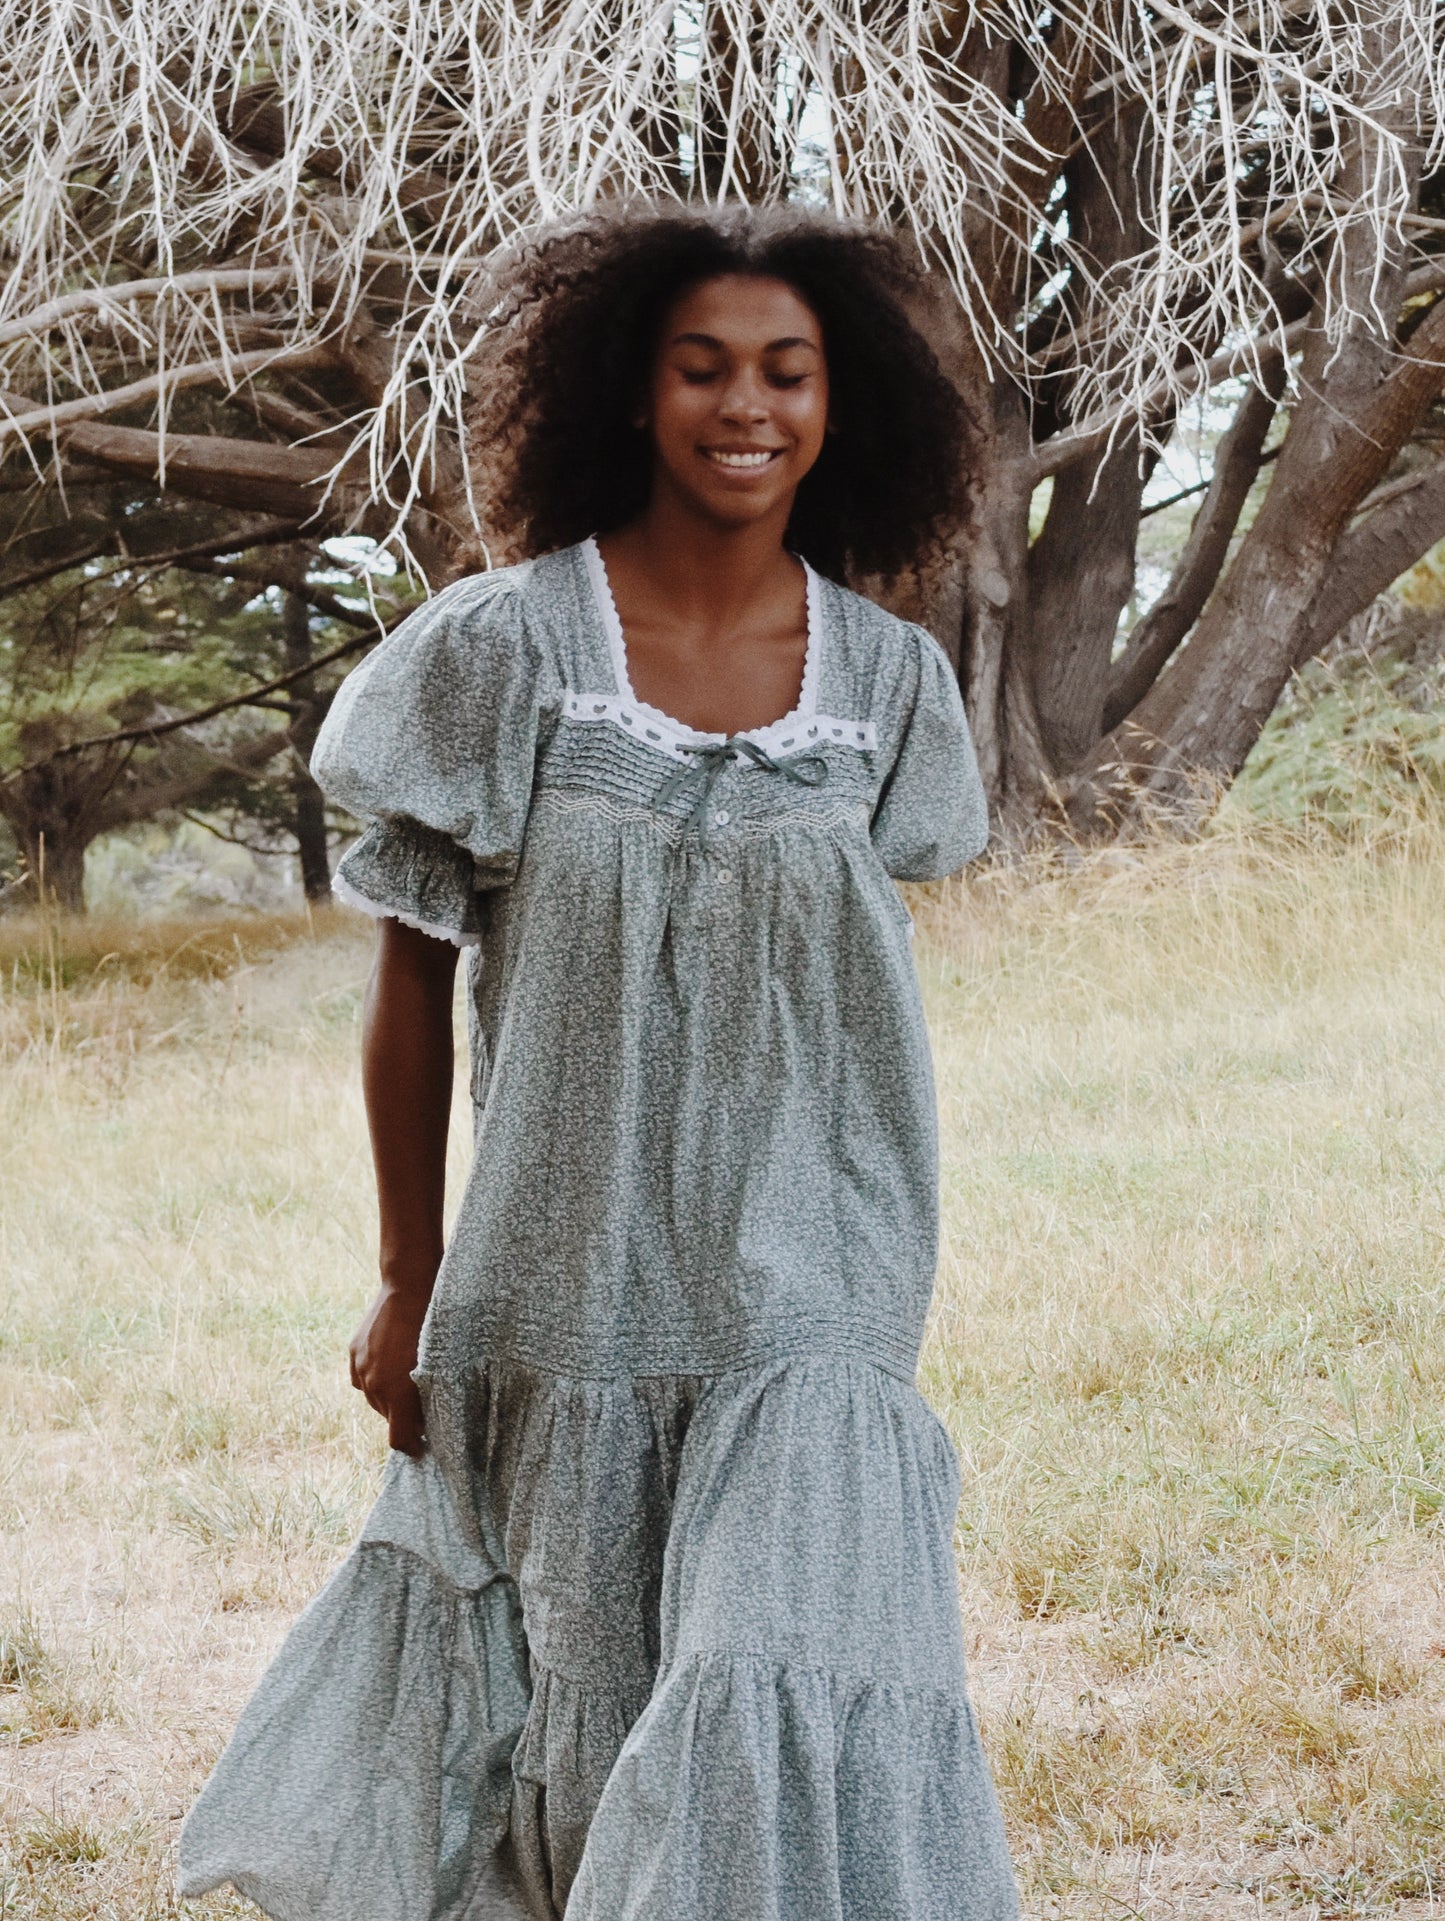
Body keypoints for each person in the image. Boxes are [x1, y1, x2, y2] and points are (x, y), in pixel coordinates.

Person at [179, 202, 1018, 1921]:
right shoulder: (498, 654)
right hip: (566, 1271)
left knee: (782, 1647)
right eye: (701, 366)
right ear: (633, 391)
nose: (745, 404)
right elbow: (411, 985)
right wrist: (406, 1274)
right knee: (581, 1716)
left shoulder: (889, 690)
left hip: (825, 1270)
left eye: (786, 371)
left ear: (838, 403)